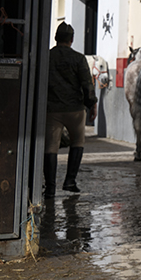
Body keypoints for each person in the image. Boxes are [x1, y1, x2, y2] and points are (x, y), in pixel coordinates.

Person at [44, 22, 98, 197]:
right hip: (75, 110)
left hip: (52, 109)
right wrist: (92, 104)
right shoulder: (79, 58)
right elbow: (87, 84)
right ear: (71, 39)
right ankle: (70, 181)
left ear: (56, 38)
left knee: (50, 147)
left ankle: (50, 188)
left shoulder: (47, 57)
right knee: (77, 142)